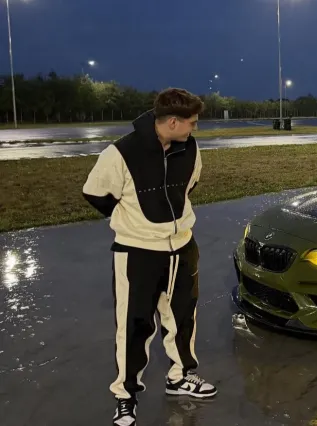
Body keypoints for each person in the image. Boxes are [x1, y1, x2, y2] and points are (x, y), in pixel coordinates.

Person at [82, 87, 217, 426]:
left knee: (183, 317)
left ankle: (180, 377)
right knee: (134, 325)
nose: (195, 128)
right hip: (137, 253)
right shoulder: (121, 152)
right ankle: (125, 396)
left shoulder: (190, 148)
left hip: (182, 248)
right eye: (192, 122)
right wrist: (133, 223)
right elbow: (96, 193)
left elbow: (189, 186)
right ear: (172, 122)